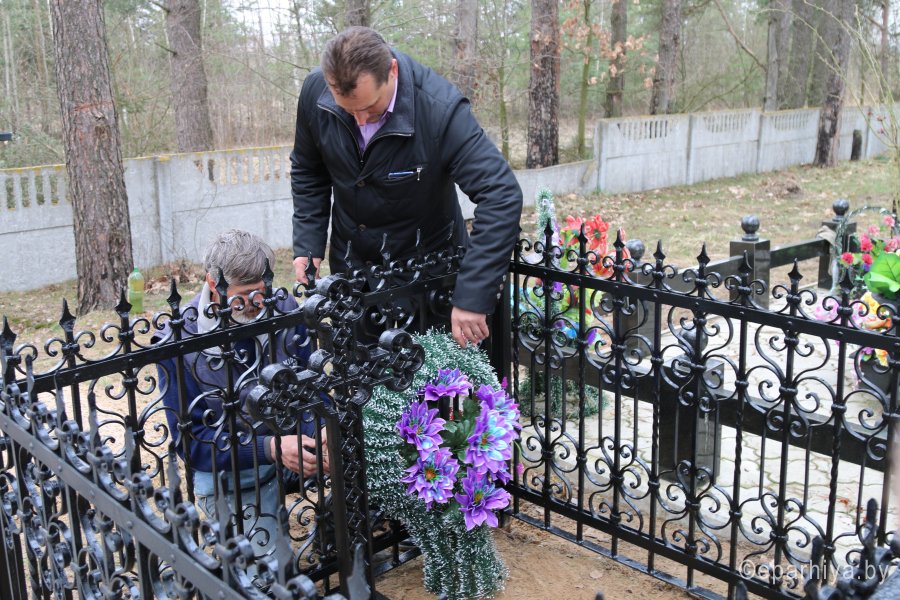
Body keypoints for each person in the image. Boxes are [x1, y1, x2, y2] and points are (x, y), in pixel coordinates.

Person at [290, 26, 523, 348]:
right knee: (358, 372)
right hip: (353, 271)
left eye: (370, 108)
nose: (360, 121)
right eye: (347, 110)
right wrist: (308, 243)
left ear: (392, 71)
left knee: (430, 376)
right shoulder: (315, 91)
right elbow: (308, 169)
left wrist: (472, 296)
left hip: (426, 276)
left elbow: (501, 194)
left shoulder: (440, 109)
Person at [154, 229, 329, 559]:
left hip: (295, 445)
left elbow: (310, 386)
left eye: (262, 291)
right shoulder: (179, 340)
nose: (257, 303)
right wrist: (270, 448)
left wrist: (320, 429)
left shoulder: (282, 306)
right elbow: (193, 446)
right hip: (234, 473)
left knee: (357, 456)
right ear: (213, 283)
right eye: (245, 295)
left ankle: (332, 529)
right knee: (272, 574)